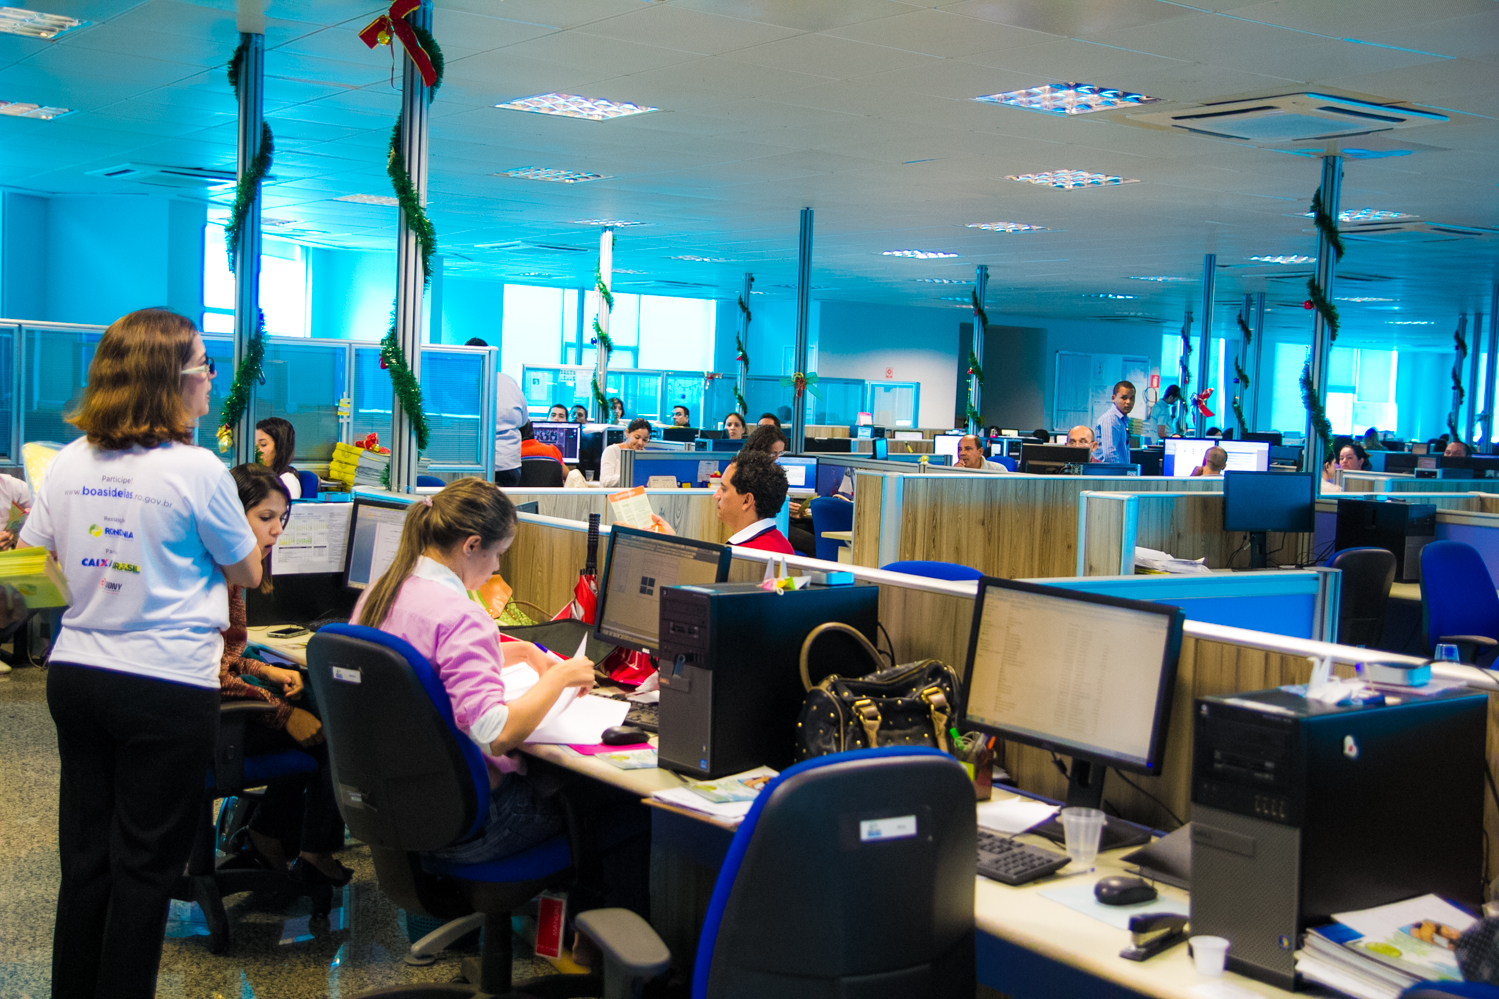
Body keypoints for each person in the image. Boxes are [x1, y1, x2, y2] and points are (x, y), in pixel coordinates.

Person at [21, 308, 262, 999]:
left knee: (86, 858)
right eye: (204, 365)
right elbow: (247, 571)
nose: (212, 379)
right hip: (165, 683)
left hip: (78, 674)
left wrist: (99, 581)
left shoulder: (68, 460)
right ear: (170, 380)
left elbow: (31, 563)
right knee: (146, 867)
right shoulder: (197, 468)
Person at [353, 479, 598, 865]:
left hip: (403, 805)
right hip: (480, 821)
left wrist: (522, 651)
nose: (497, 566)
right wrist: (559, 678)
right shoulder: (462, 616)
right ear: (471, 545)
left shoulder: (381, 592)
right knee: (617, 810)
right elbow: (493, 734)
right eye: (498, 553)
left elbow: (425, 668)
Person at [220, 464, 349, 886]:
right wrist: (283, 714)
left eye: (282, 518)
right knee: (331, 731)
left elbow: (227, 655)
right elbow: (209, 675)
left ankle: (270, 834)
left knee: (313, 707)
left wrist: (266, 670)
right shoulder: (216, 575)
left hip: (214, 709)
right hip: (211, 725)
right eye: (265, 517)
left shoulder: (232, 570)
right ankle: (311, 851)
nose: (277, 530)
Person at [652, 450, 795, 554]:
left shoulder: (745, 557)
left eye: (724, 489)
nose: (716, 495)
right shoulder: (781, 544)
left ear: (747, 500)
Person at [254, 415, 301, 499]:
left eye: (263, 444)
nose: (256, 450)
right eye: (254, 445)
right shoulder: (260, 477)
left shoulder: (287, 481)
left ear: (280, 448)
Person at [598, 418, 651, 488]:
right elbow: (606, 481)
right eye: (637, 437)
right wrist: (631, 477)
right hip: (615, 493)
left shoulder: (645, 455)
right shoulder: (612, 451)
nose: (640, 443)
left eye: (644, 440)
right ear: (627, 433)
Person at [1094, 380, 1136, 465]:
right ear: (1113, 398)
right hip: (1111, 472)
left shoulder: (1123, 420)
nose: (1128, 402)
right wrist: (1119, 473)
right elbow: (1110, 455)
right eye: (1124, 398)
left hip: (1120, 471)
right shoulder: (1110, 419)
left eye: (1131, 398)